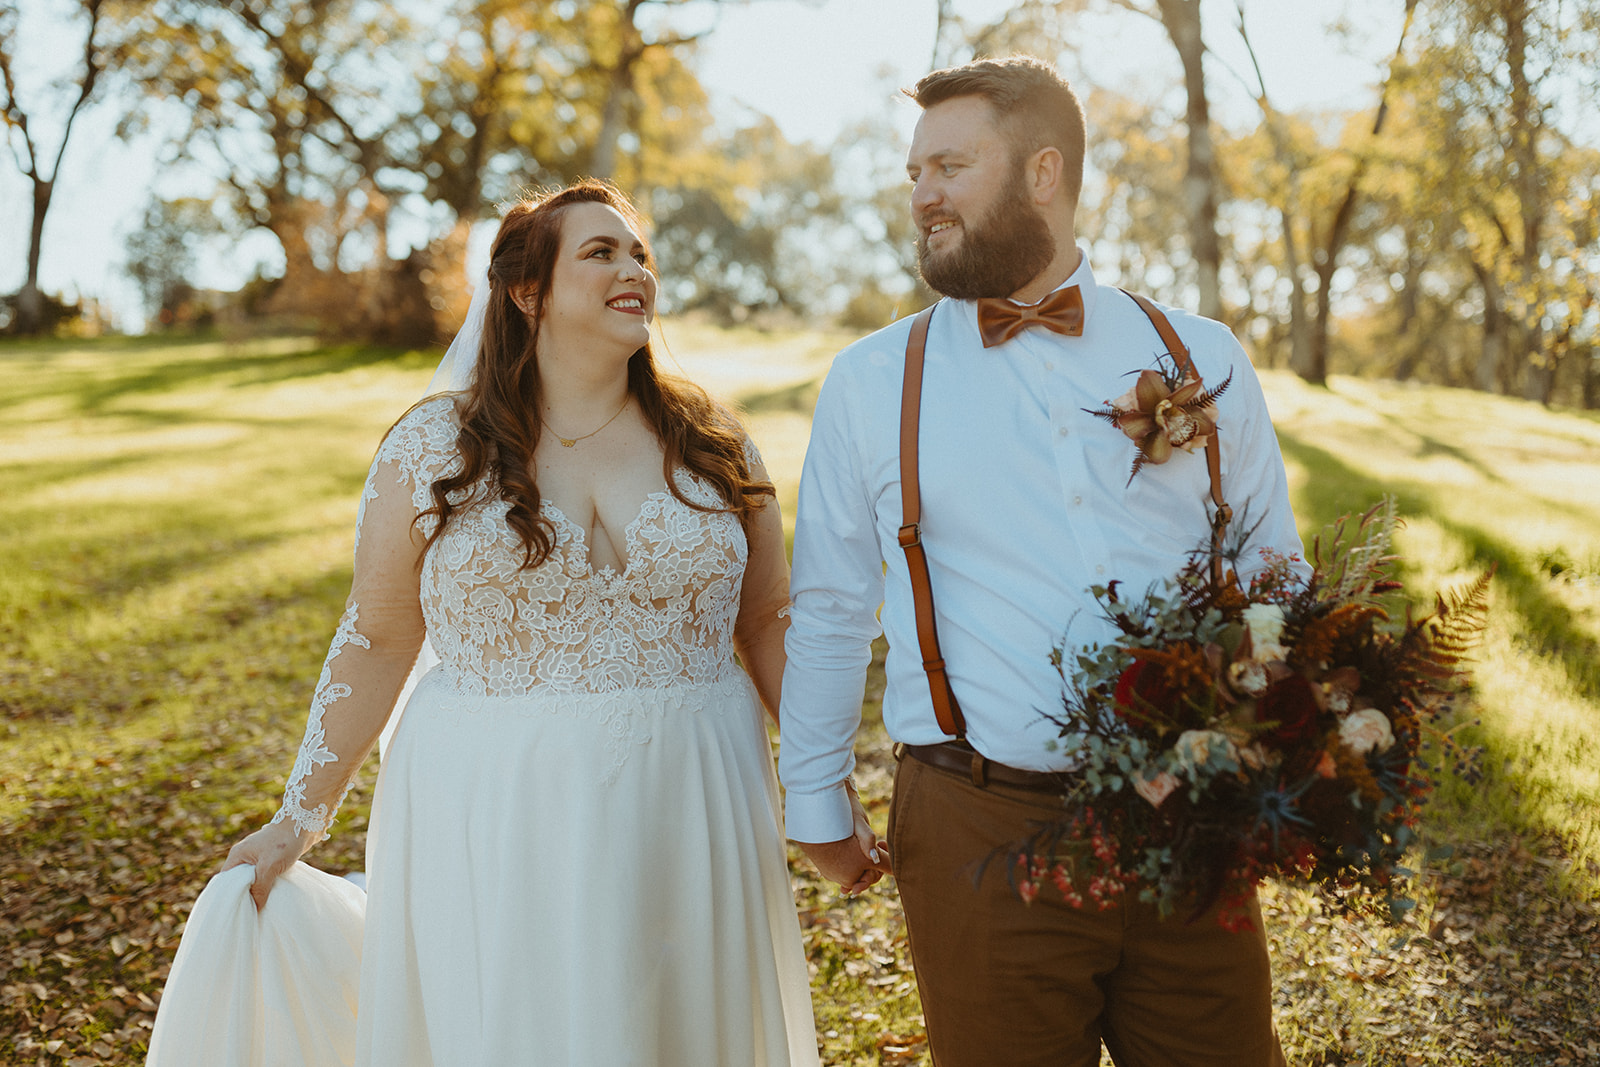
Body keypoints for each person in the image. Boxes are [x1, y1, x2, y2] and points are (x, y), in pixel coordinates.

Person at [147, 180, 858, 1066]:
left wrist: (827, 785)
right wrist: (301, 816)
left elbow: (766, 619)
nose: (633, 268)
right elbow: (377, 636)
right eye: (600, 252)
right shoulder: (433, 448)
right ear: (528, 292)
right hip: (495, 800)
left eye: (639, 252)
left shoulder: (713, 442)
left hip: (691, 786)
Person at [777, 57, 1305, 1067]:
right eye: (914, 173)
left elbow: (1269, 567)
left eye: (950, 166)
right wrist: (815, 798)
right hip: (980, 824)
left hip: (1186, 823)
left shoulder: (1201, 354)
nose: (922, 195)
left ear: (1043, 172)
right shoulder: (869, 382)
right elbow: (835, 603)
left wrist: (1275, 736)